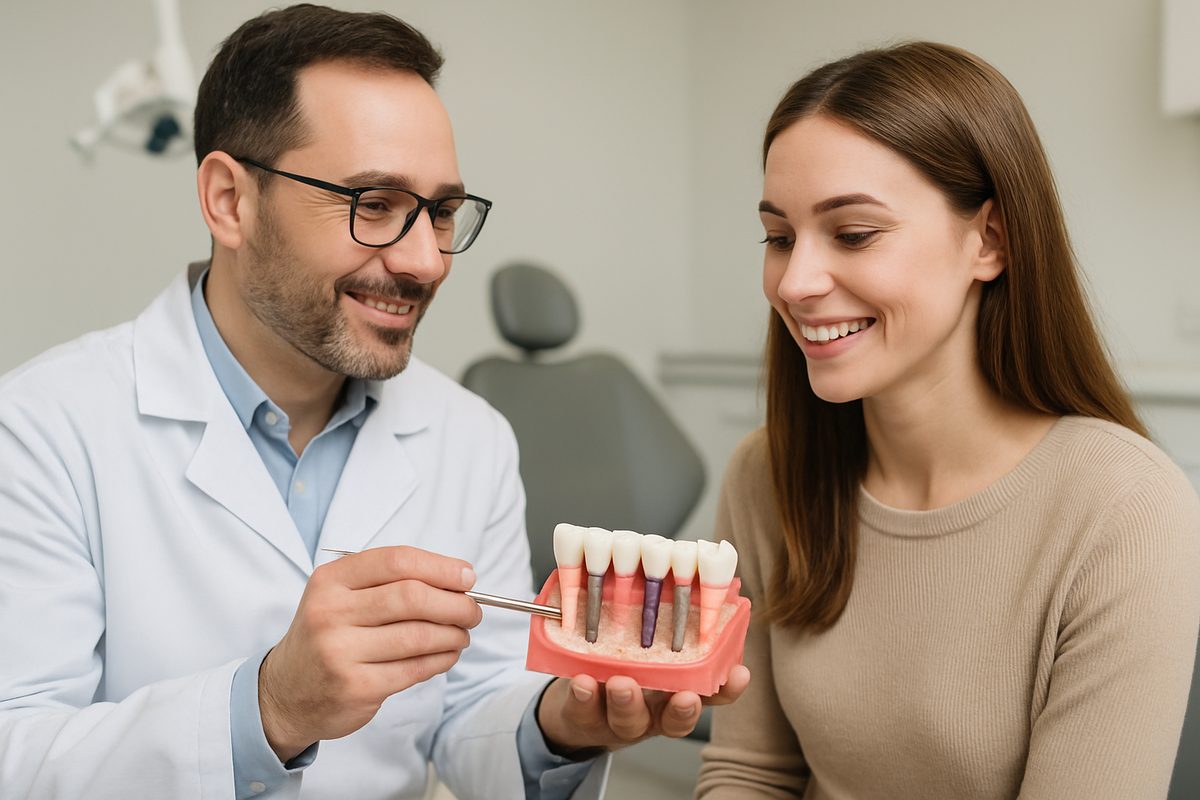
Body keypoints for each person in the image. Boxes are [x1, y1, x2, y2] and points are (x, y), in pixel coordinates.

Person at [0, 5, 747, 799]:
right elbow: (15, 751)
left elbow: (472, 708)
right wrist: (269, 707)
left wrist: (555, 724)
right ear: (228, 201)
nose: (426, 261)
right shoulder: (44, 428)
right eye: (374, 205)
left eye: (443, 212)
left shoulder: (470, 436)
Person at [694, 41, 1200, 799]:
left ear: (988, 240)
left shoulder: (1124, 509)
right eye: (779, 237)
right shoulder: (766, 474)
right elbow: (749, 771)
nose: (795, 282)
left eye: (854, 233)